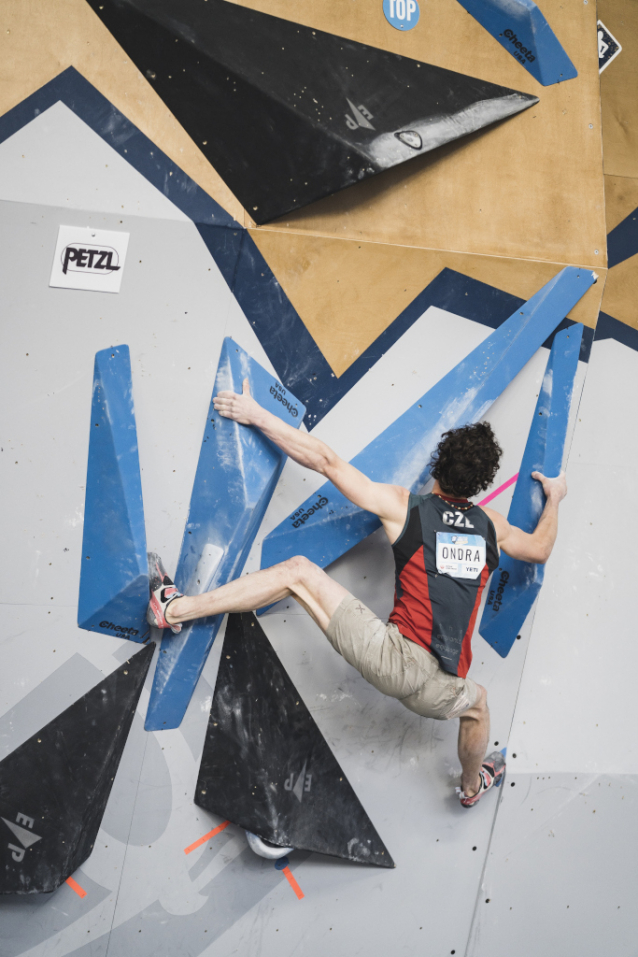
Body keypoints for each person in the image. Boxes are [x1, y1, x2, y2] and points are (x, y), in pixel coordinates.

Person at [147, 380, 567, 808]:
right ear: (479, 483)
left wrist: (256, 414)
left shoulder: (407, 506)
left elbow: (326, 461)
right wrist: (554, 497)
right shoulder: (491, 526)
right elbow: (540, 549)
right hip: (443, 689)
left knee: (297, 572)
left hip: (394, 658)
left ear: (438, 467)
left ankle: (174, 608)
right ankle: (472, 787)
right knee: (478, 706)